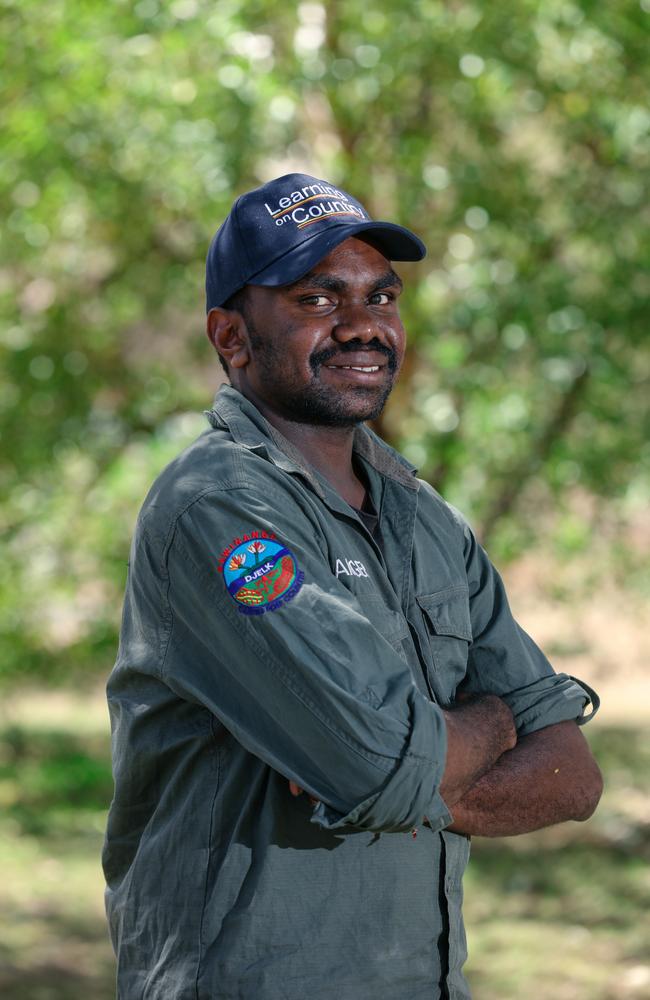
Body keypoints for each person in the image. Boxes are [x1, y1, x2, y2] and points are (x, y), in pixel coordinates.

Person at [103, 172, 603, 1000]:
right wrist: (494, 723)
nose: (363, 325)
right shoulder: (215, 509)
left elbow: (575, 776)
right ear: (231, 337)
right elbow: (374, 765)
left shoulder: (427, 518)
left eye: (382, 296)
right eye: (317, 299)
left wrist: (411, 765)